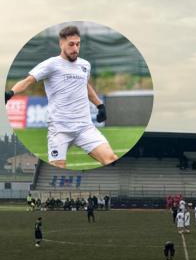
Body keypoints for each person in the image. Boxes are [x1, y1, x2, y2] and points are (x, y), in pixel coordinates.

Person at [5, 25, 115, 168]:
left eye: (78, 44)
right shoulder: (51, 64)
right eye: (71, 44)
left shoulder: (85, 65)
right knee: (57, 168)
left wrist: (100, 105)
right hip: (60, 129)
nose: (75, 48)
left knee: (111, 159)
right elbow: (28, 81)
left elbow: (85, 85)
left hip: (84, 127)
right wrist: (11, 93)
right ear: (61, 43)